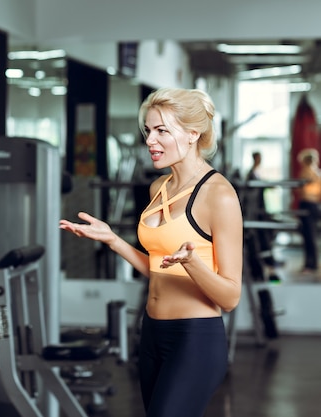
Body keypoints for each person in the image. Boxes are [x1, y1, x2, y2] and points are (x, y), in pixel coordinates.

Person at [60, 88, 243, 417]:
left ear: (191, 134)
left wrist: (193, 264)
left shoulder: (219, 195)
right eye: (148, 130)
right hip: (152, 333)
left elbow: (230, 297)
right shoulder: (158, 188)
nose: (150, 141)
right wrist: (113, 240)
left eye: (162, 131)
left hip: (195, 338)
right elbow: (158, 269)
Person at [296, 148, 321, 274]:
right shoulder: (315, 172)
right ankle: (311, 264)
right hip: (311, 205)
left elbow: (304, 190)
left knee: (309, 236)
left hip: (309, 205)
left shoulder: (309, 172)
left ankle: (311, 265)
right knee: (309, 235)